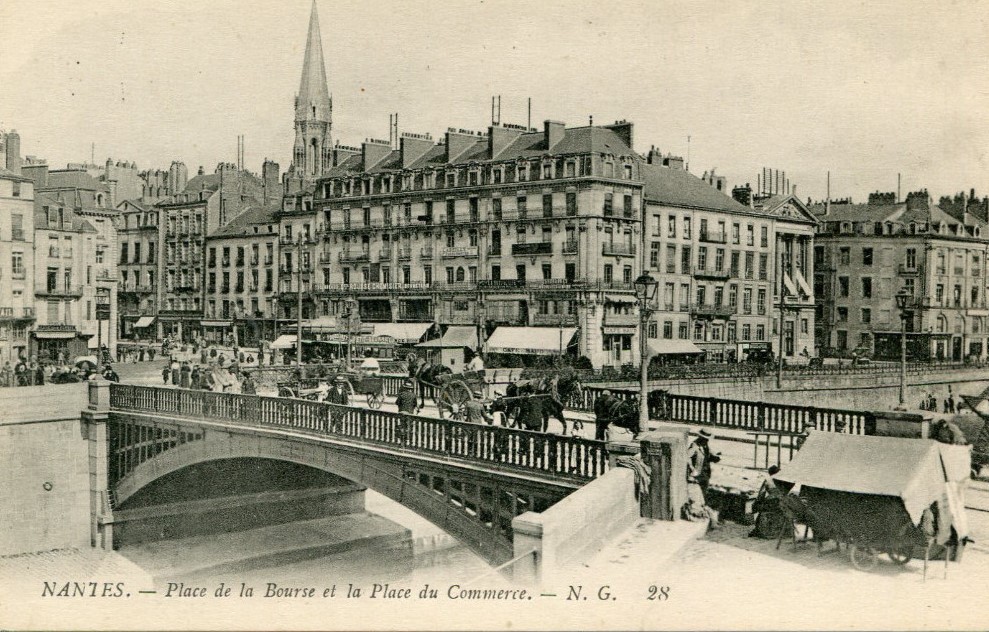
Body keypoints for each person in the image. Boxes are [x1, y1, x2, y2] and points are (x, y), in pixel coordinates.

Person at [749, 465, 785, 538]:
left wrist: (756, 503)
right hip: (781, 504)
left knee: (758, 507)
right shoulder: (783, 480)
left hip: (771, 504)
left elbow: (761, 494)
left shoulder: (768, 480)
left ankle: (757, 529)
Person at [687, 429, 721, 497]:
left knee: (704, 491)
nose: (707, 440)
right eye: (705, 439)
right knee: (698, 494)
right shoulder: (695, 445)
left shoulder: (705, 445)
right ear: (701, 438)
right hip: (698, 474)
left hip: (706, 473)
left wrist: (715, 457)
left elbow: (708, 455)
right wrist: (692, 469)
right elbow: (687, 457)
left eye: (707, 439)